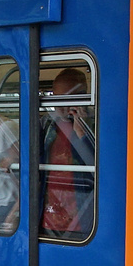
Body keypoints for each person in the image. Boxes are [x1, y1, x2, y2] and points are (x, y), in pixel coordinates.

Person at [40, 69, 95, 238]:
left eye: (67, 98)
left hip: (83, 217)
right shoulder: (47, 125)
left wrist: (82, 132)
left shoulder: (95, 124)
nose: (60, 106)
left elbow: (100, 168)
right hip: (48, 217)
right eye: (57, 98)